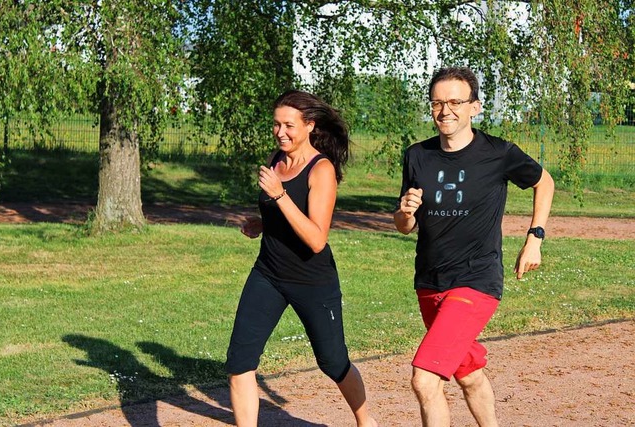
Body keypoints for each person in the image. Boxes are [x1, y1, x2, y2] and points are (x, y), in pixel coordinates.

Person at [394, 67, 554, 426]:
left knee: (424, 378)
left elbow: (544, 183)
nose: (445, 110)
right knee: (467, 373)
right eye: (437, 102)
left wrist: (534, 239)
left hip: (476, 280)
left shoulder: (499, 153)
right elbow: (406, 227)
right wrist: (405, 213)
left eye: (455, 102)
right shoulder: (417, 155)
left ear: (475, 107)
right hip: (430, 281)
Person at [226, 89, 378, 427]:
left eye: (289, 126)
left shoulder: (320, 170)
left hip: (312, 280)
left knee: (333, 362)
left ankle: (366, 421)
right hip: (268, 274)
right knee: (239, 363)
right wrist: (262, 223)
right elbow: (287, 217)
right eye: (276, 125)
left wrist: (278, 194)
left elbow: (315, 238)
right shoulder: (275, 160)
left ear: (309, 125)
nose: (281, 133)